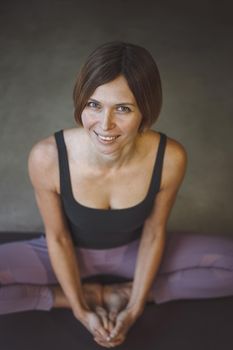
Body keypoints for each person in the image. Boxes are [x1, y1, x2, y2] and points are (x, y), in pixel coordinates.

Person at [0, 41, 233, 348]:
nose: (105, 124)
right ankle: (78, 294)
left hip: (135, 253)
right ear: (81, 102)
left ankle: (124, 291)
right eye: (94, 105)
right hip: (64, 254)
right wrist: (81, 309)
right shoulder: (47, 157)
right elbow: (58, 238)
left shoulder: (170, 157)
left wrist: (135, 304)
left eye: (123, 108)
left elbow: (153, 232)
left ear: (145, 111)